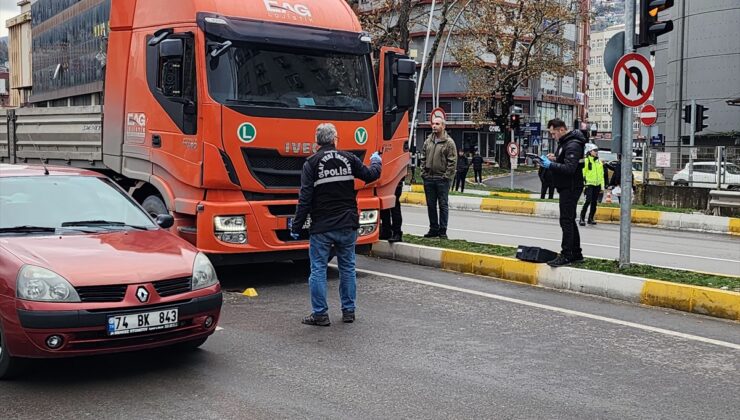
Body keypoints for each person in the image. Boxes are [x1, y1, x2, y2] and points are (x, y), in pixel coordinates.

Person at [291, 123, 382, 326]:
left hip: (322, 227)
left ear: (317, 142)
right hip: (347, 224)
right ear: (335, 139)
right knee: (348, 268)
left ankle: (320, 314)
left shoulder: (311, 164)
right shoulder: (349, 159)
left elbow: (305, 198)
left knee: (318, 270)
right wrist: (376, 161)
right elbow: (371, 175)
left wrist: (297, 227)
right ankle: (349, 311)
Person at [539, 118, 586, 267]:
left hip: (570, 187)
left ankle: (567, 254)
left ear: (561, 130)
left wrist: (551, 165)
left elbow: (569, 168)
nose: (553, 137)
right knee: (569, 220)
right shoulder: (566, 143)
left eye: (553, 133)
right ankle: (576, 253)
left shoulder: (573, 144)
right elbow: (566, 162)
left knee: (566, 221)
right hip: (567, 186)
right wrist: (556, 159)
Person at [420, 117, 457, 239]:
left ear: (443, 126)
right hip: (429, 178)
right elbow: (423, 157)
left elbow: (452, 161)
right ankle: (433, 228)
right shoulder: (428, 141)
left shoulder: (449, 142)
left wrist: (446, 176)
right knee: (431, 205)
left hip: (442, 179)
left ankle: (442, 230)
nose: (434, 126)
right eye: (433, 123)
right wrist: (423, 173)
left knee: (443, 205)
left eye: (437, 124)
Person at [579, 143, 604, 226]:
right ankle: (582, 218)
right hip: (589, 184)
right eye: (595, 151)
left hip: (597, 185)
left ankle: (591, 218)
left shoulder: (599, 162)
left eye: (597, 151)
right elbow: (582, 173)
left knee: (594, 202)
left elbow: (602, 175)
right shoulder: (586, 161)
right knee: (588, 201)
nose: (596, 152)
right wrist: (583, 184)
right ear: (589, 151)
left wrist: (602, 186)